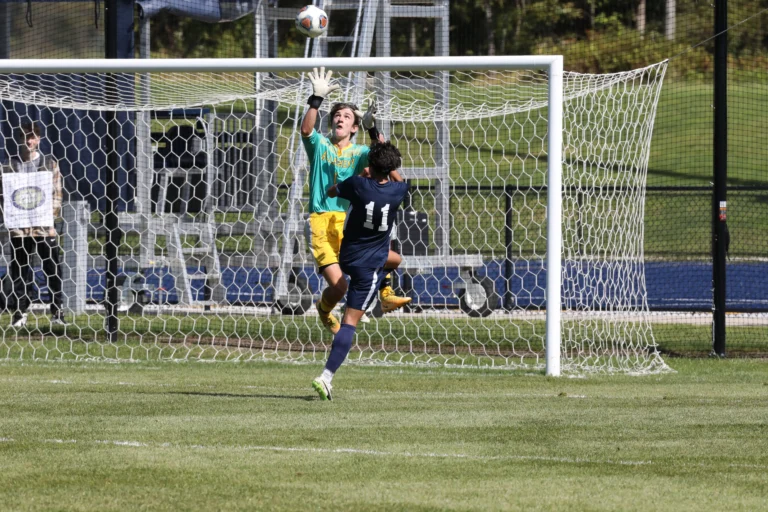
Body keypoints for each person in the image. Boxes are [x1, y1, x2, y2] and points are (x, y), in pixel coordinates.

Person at [300, 67, 411, 335]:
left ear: (354, 127)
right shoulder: (320, 146)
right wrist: (316, 100)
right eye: (337, 115)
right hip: (320, 222)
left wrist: (373, 130)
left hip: (349, 224)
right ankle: (324, 309)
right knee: (340, 287)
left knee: (390, 257)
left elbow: (386, 162)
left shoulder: (361, 152)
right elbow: (305, 130)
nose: (340, 118)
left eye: (347, 116)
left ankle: (385, 292)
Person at [312, 142, 410, 401]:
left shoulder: (358, 185)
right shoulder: (398, 191)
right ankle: (326, 378)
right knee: (350, 323)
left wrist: (359, 176)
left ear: (371, 166)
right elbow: (400, 180)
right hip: (369, 266)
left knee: (396, 259)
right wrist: (387, 164)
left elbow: (332, 191)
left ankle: (385, 294)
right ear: (391, 168)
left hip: (348, 257)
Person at [1, 121, 66, 327]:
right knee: (20, 270)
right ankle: (20, 313)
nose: (29, 141)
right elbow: (3, 196)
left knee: (52, 268)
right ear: (19, 139)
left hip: (44, 226)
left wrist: (50, 219)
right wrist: (9, 219)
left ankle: (57, 312)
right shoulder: (8, 165)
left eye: (32, 137)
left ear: (38, 139)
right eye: (25, 137)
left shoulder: (49, 163)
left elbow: (57, 194)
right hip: (19, 227)